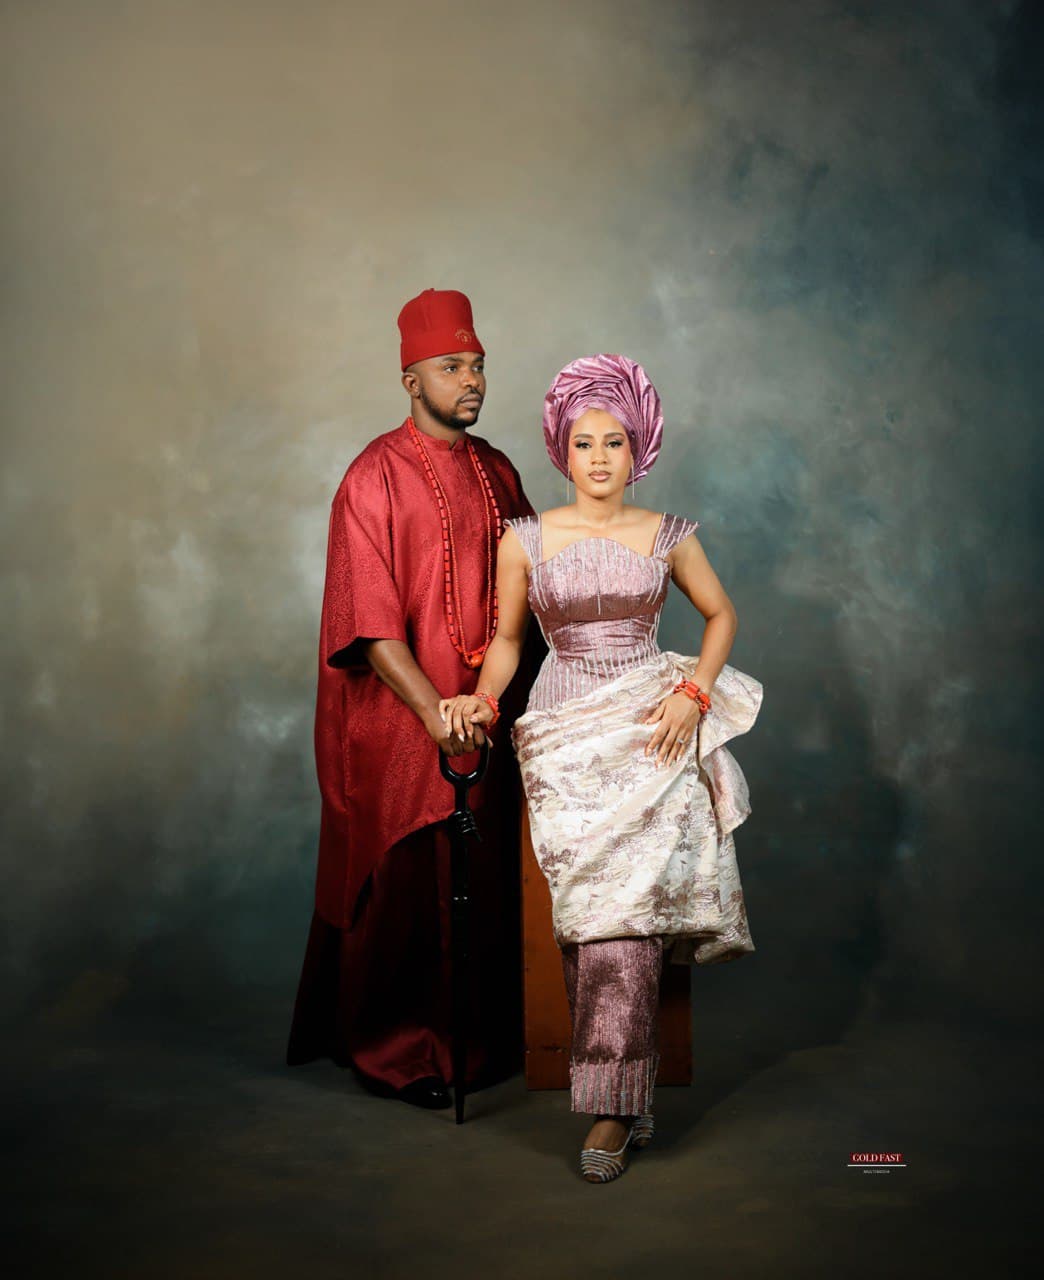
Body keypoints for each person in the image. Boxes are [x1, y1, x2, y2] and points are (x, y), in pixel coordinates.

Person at [440, 353, 763, 1178]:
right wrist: (481, 702)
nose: (597, 459)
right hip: (561, 728)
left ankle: (611, 1114)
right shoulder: (526, 540)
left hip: (650, 723)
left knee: (629, 919)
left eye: (613, 443)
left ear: (638, 449)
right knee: (586, 917)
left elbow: (722, 616)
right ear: (562, 449)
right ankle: (630, 1092)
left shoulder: (667, 535)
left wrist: (694, 693)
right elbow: (511, 643)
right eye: (583, 443)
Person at [287, 288, 536, 1108]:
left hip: (487, 709)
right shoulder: (372, 476)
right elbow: (368, 620)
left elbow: (538, 593)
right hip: (399, 716)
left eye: (478, 366)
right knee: (410, 884)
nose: (471, 381)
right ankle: (402, 1053)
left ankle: (483, 1041)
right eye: (451, 367)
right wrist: (435, 709)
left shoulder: (499, 471)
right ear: (409, 378)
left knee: (485, 868)